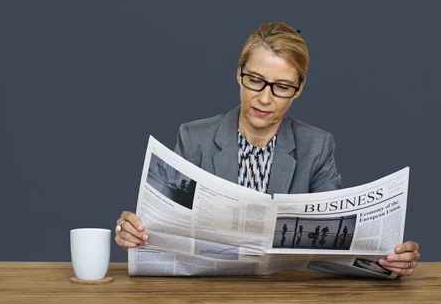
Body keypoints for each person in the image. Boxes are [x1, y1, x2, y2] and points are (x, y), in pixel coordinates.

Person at [115, 22, 420, 277]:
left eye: (282, 87)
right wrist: (132, 230)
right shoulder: (194, 138)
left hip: (287, 298)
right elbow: (166, 228)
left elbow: (334, 243)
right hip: (207, 298)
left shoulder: (317, 146)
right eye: (255, 81)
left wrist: (387, 257)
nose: (264, 98)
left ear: (298, 90)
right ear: (239, 74)